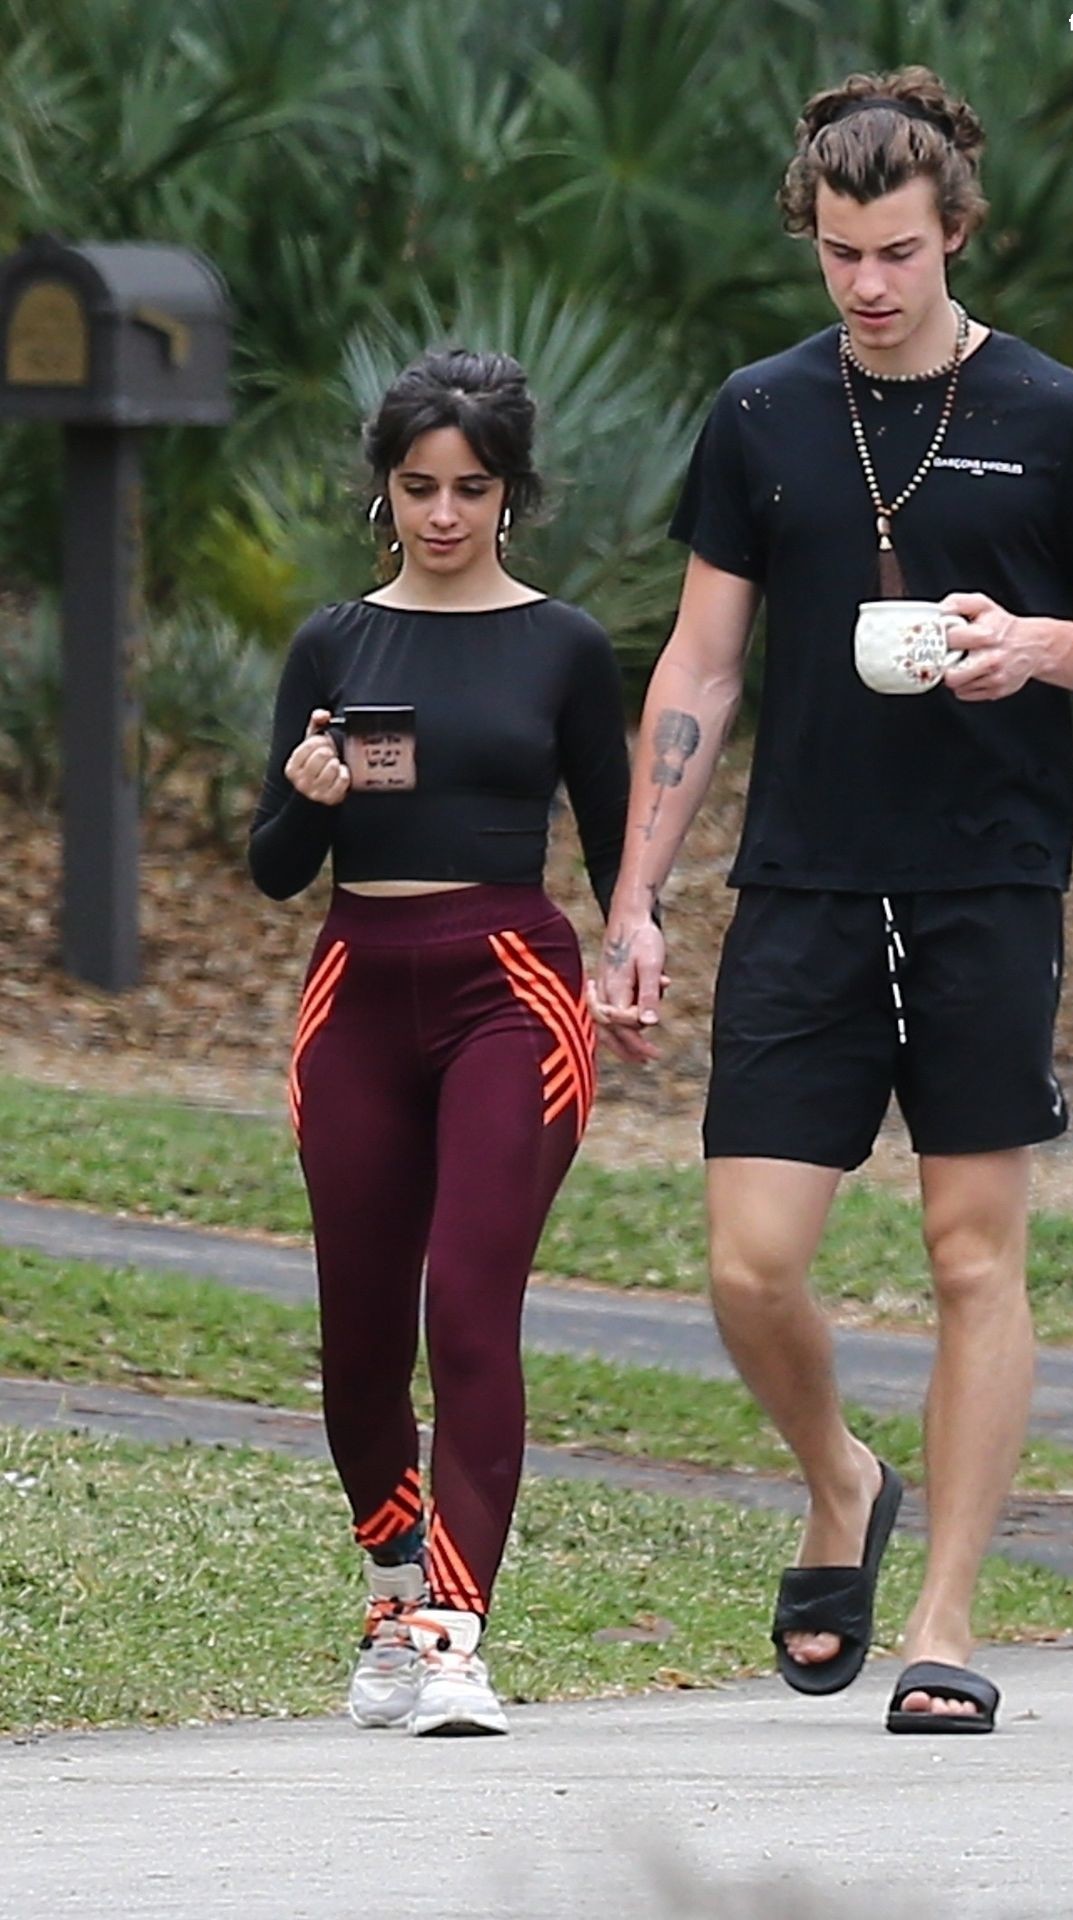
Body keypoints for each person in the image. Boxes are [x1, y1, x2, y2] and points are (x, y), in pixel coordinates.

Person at [593, 67, 1073, 1734]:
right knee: (750, 1266)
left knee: (970, 1255)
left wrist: (1045, 644)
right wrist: (636, 901)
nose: (869, 285)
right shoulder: (760, 413)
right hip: (802, 882)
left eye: (900, 253)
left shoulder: (1056, 412)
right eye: (841, 253)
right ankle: (841, 1479)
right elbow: (701, 666)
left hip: (986, 884)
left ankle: (944, 1623)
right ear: (811, 236)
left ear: (958, 234)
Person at [249, 347, 629, 1736]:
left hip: (509, 991)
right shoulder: (335, 644)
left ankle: (455, 1637)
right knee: (359, 1338)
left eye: (472, 488)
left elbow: (617, 841)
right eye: (420, 487)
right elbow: (275, 870)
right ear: (386, 491)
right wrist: (308, 795)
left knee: (468, 1308)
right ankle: (392, 1591)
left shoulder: (564, 646)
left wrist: (636, 951)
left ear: (511, 492)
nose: (446, 513)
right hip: (356, 988)